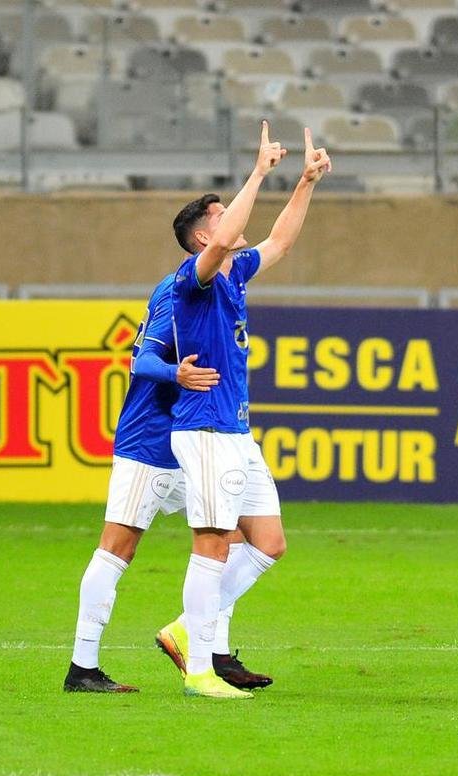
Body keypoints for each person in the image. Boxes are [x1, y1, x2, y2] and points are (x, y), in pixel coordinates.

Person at [155, 122, 331, 700]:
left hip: (234, 431)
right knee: (213, 542)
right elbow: (229, 239)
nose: (232, 216)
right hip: (204, 429)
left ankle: (187, 627)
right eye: (221, 213)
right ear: (205, 236)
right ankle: (200, 671)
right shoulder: (195, 278)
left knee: (268, 542)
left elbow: (279, 241)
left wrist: (304, 183)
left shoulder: (236, 274)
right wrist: (257, 172)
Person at [62, 272, 221, 693]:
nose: (239, 239)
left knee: (237, 533)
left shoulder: (216, 288)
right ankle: (82, 667)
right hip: (149, 443)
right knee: (117, 547)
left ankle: (205, 645)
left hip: (189, 442)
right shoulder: (178, 290)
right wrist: (176, 374)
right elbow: (143, 361)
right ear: (205, 239)